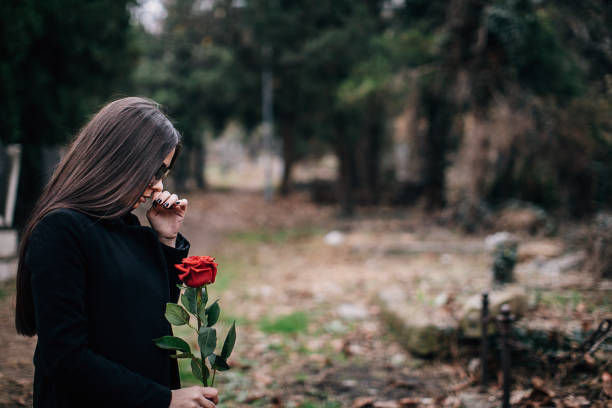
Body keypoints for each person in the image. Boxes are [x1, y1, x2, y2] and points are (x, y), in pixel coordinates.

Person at [14, 97, 219, 408]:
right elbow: (66, 359)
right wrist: (163, 399)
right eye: (153, 171)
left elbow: (150, 319)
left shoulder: (125, 225)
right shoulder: (61, 230)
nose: (158, 186)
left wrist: (166, 240)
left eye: (162, 173)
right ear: (121, 159)